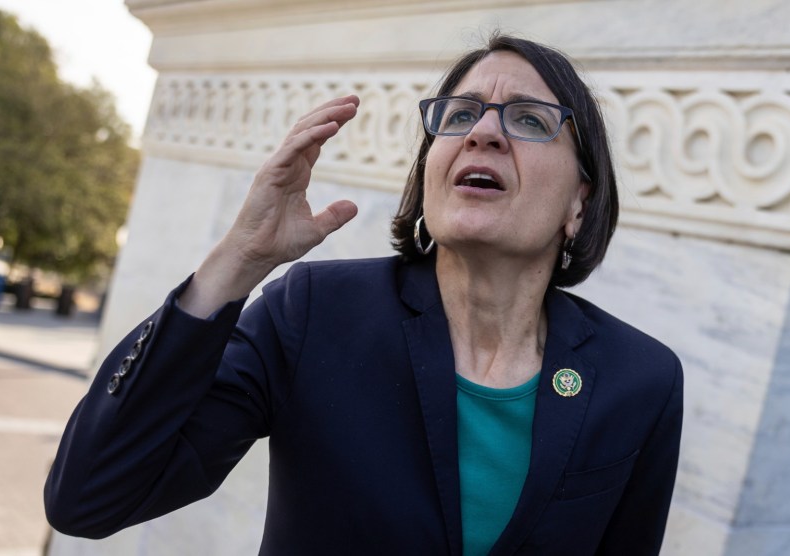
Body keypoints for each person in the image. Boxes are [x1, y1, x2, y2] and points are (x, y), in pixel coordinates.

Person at [45, 34, 683, 555]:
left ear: (580, 200)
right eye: (459, 115)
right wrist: (238, 260)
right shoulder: (316, 312)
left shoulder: (641, 380)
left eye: (528, 119)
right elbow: (90, 497)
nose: (482, 134)